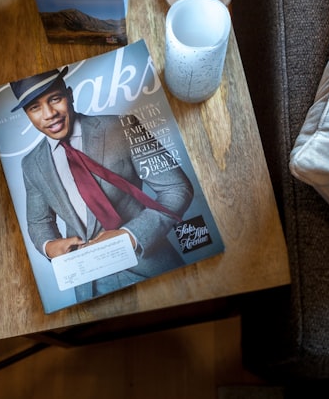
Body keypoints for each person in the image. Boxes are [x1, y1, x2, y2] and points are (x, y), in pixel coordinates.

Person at [11, 67, 194, 300]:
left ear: (70, 94)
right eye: (34, 108)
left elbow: (177, 188)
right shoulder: (31, 164)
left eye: (55, 99)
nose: (48, 114)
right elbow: (39, 222)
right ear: (28, 114)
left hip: (148, 267)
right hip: (90, 286)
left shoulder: (123, 126)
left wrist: (130, 235)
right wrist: (50, 246)